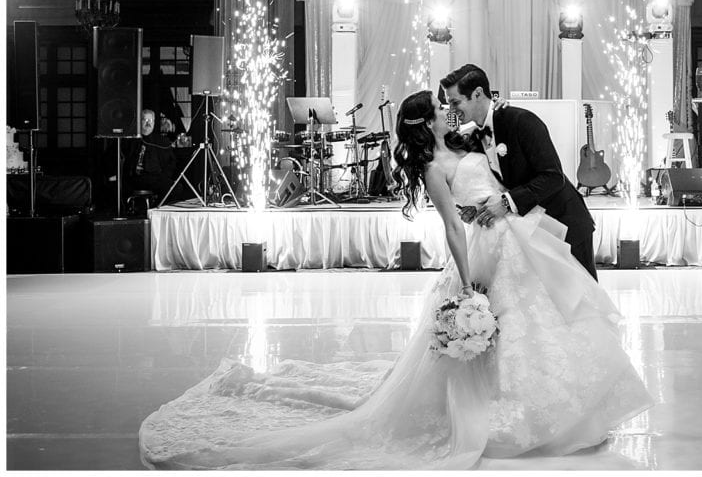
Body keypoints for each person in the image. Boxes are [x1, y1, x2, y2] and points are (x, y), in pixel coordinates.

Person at [138, 90, 653, 469]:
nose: (448, 109)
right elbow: (453, 222)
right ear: (424, 121)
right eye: (438, 105)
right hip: (483, 251)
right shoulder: (430, 164)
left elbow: (497, 178)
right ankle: (503, 411)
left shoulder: (462, 139)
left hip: (517, 238)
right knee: (504, 328)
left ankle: (563, 407)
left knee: (540, 325)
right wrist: (468, 281)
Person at [441, 64, 599, 280]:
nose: (451, 110)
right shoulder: (472, 137)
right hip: (528, 231)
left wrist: (506, 203)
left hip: (564, 222)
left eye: (455, 102)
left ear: (477, 93)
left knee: (581, 302)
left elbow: (553, 177)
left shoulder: (521, 121)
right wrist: (475, 209)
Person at [117, 109, 180, 202]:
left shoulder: (162, 141)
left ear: (154, 122)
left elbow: (172, 162)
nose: (148, 124)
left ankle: (157, 209)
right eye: (145, 120)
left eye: (150, 121)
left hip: (157, 177)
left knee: (176, 187)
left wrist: (165, 175)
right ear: (139, 122)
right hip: (136, 178)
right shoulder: (130, 140)